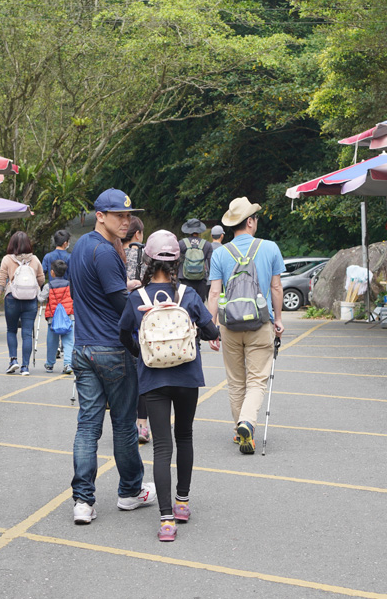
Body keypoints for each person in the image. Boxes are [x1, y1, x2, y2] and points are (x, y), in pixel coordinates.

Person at [119, 230, 219, 542]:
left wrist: (139, 352)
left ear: (147, 260)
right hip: (187, 376)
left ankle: (165, 522)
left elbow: (124, 333)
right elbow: (210, 328)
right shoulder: (187, 294)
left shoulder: (138, 297)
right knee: (185, 436)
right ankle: (182, 504)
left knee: (162, 446)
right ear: (177, 260)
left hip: (152, 378)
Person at [68, 188, 155, 525]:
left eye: (128, 215)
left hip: (83, 348)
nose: (126, 220)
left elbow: (101, 294)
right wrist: (147, 307)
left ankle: (83, 501)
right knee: (122, 426)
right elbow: (120, 306)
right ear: (99, 216)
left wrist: (126, 287)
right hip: (113, 350)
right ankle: (130, 492)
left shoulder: (81, 248)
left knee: (88, 426)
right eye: (118, 215)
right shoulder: (105, 252)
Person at [206, 197, 285, 455]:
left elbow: (215, 293)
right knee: (257, 381)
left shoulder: (220, 253)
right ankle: (247, 423)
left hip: (229, 326)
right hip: (260, 323)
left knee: (236, 382)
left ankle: (239, 432)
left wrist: (211, 327)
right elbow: (275, 287)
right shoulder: (270, 248)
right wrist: (279, 319)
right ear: (250, 222)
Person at [0, 231, 45, 375]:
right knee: (27, 334)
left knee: (11, 330)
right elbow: (41, 280)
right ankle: (25, 367)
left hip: (12, 299)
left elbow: (1, 281)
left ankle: (13, 360)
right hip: (30, 300)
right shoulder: (35, 260)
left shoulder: (7, 259)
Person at [123, 215, 150, 443]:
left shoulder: (114, 253)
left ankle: (125, 423)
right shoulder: (144, 255)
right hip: (142, 315)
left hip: (119, 317)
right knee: (142, 369)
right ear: (139, 234)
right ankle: (142, 425)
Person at [43, 259, 74, 374]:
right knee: (68, 342)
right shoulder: (69, 285)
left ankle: (50, 364)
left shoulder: (48, 286)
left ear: (52, 272)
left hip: (53, 318)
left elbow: (41, 298)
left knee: (52, 342)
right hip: (69, 317)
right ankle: (68, 363)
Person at [178, 218, 211, 301]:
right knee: (200, 305)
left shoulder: (181, 243)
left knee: (186, 303)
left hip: (185, 279)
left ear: (188, 231)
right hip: (201, 280)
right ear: (200, 231)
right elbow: (210, 264)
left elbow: (176, 261)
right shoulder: (207, 245)